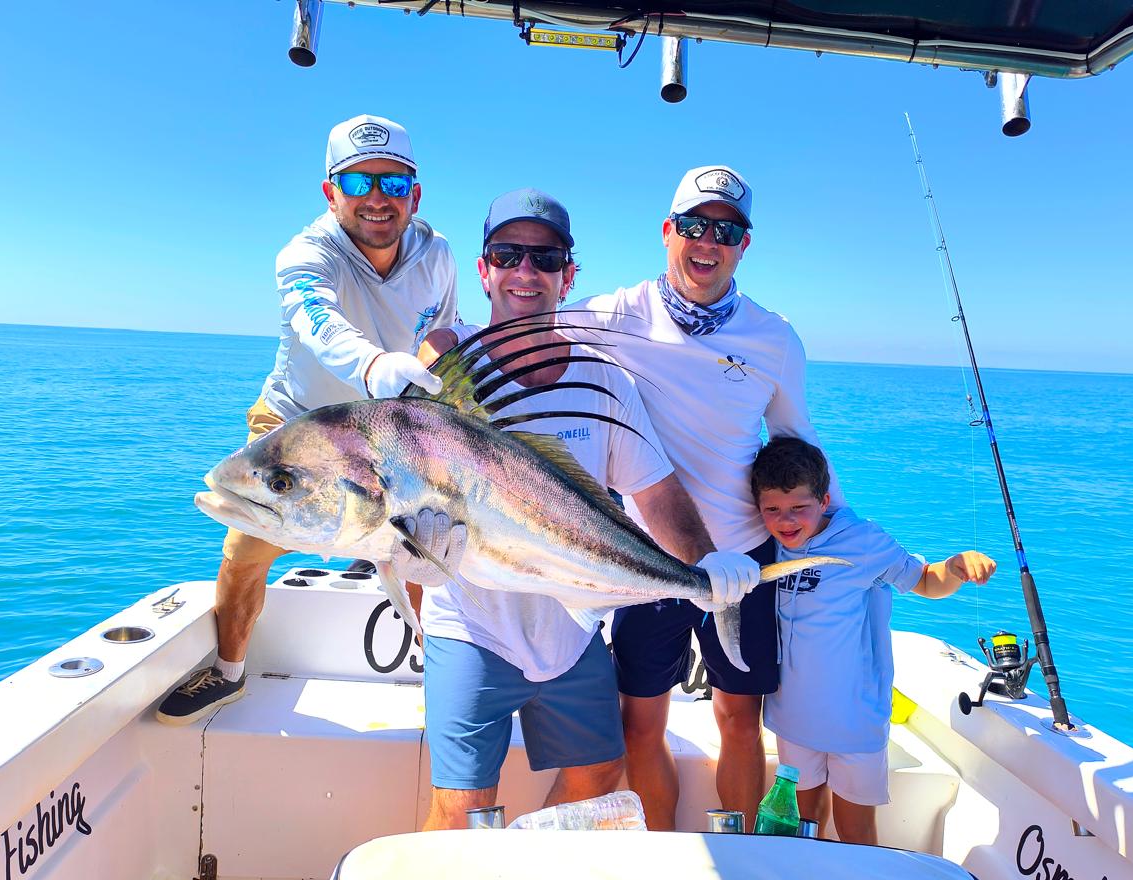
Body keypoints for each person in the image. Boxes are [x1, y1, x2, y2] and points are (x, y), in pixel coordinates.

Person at [415, 189, 758, 829]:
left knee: (601, 781)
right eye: (507, 254)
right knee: (462, 807)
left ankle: (517, 868)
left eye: (544, 258)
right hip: (472, 624)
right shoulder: (444, 363)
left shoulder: (603, 379)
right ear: (483, 268)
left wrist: (707, 569)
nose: (525, 272)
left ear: (568, 276)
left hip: (572, 630)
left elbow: (654, 492)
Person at [157, 114, 459, 724]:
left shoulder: (439, 256)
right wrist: (375, 367)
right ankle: (229, 671)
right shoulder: (304, 253)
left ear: (415, 194)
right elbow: (315, 322)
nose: (378, 198)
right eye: (358, 182)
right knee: (247, 547)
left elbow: (441, 336)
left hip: (388, 435)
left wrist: (437, 399)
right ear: (331, 193)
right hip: (297, 423)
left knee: (424, 556)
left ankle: (444, 676)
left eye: (394, 183)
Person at [569, 166, 846, 830]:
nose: (708, 241)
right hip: (647, 562)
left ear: (744, 246)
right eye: (694, 225)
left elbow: (796, 442)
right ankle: (665, 849)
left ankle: (741, 850)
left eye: (726, 230)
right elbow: (524, 335)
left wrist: (853, 544)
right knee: (641, 721)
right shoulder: (614, 314)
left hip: (743, 562)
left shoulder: (774, 337)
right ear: (668, 232)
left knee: (738, 718)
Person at [751, 436, 997, 844]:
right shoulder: (767, 546)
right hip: (793, 717)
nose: (786, 521)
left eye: (799, 508)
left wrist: (954, 566)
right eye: (772, 510)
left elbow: (924, 582)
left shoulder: (863, 541)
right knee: (799, 823)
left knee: (856, 830)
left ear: (825, 499)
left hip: (856, 719)